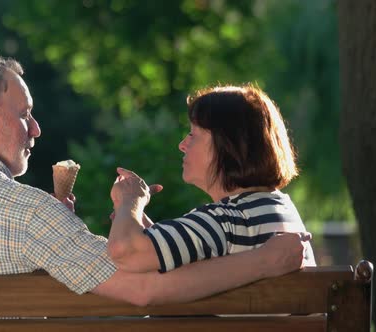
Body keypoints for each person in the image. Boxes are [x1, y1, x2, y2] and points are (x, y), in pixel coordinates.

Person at [0, 53, 310, 306]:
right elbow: (142, 286)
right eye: (25, 115)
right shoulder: (30, 214)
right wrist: (267, 262)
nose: (36, 129)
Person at [108, 85, 316, 274]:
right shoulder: (280, 208)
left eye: (193, 134)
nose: (182, 144)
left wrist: (131, 201)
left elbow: (125, 252)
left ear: (228, 145)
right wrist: (135, 219)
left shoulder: (226, 220)